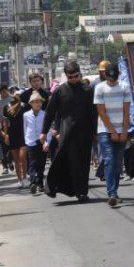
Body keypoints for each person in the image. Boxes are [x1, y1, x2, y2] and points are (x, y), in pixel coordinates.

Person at [43, 61, 97, 202]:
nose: (73, 79)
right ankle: (55, 187)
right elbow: (50, 112)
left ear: (80, 74)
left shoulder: (88, 90)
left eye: (75, 76)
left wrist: (95, 132)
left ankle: (82, 192)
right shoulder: (60, 91)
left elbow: (93, 112)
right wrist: (44, 131)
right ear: (66, 76)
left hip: (85, 132)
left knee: (84, 162)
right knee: (68, 160)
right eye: (70, 77)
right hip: (66, 132)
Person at [94, 62, 132, 208]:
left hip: (121, 128)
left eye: (114, 78)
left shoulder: (124, 87)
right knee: (109, 160)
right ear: (105, 75)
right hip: (105, 129)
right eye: (110, 78)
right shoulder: (99, 88)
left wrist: (124, 131)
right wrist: (112, 131)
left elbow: (127, 111)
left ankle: (114, 192)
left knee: (117, 162)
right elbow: (101, 112)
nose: (112, 81)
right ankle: (111, 193)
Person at [1, 84, 28, 188]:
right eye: (12, 94)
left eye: (17, 94)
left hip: (23, 134)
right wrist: (6, 135)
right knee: (16, 159)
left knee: (23, 157)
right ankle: (19, 180)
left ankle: (25, 178)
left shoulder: (24, 107)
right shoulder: (6, 107)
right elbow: (5, 123)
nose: (14, 96)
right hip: (12, 134)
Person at [23, 92, 47, 194]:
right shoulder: (26, 115)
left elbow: (47, 129)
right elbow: (25, 128)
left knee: (41, 163)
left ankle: (40, 183)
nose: (38, 104)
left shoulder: (44, 114)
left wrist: (47, 142)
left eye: (39, 102)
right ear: (31, 103)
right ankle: (33, 182)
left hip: (42, 141)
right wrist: (26, 141)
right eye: (35, 102)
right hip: (31, 141)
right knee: (32, 163)